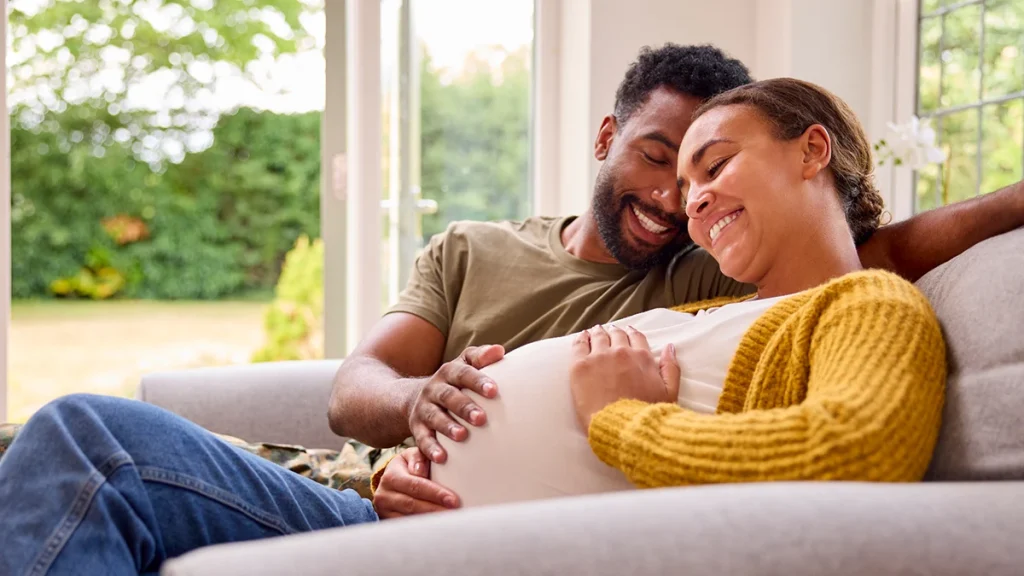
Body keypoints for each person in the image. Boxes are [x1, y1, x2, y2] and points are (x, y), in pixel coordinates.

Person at [353, 45, 1023, 514]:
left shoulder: (866, 303)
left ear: (812, 150)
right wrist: (407, 460)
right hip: (390, 504)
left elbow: (852, 450)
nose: (684, 201)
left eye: (714, 166)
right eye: (670, 169)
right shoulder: (703, 300)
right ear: (607, 137)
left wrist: (623, 418)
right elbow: (360, 385)